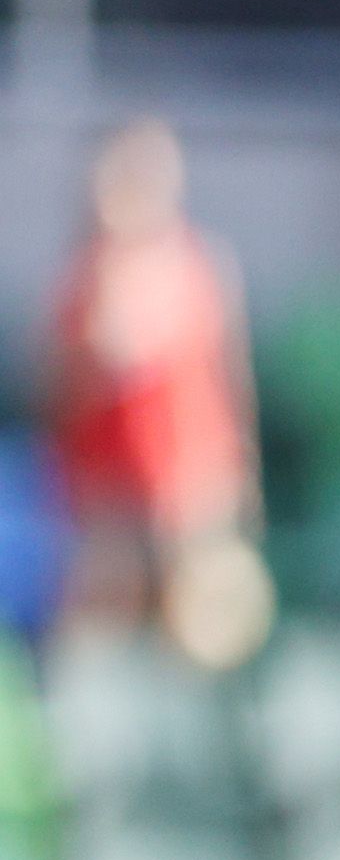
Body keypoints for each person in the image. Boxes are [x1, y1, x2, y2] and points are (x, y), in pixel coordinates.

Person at [46, 116, 264, 669]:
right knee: (104, 638)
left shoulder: (200, 266)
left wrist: (239, 476)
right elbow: (68, 386)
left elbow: (227, 383)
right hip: (110, 494)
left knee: (204, 639)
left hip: (191, 491)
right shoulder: (87, 280)